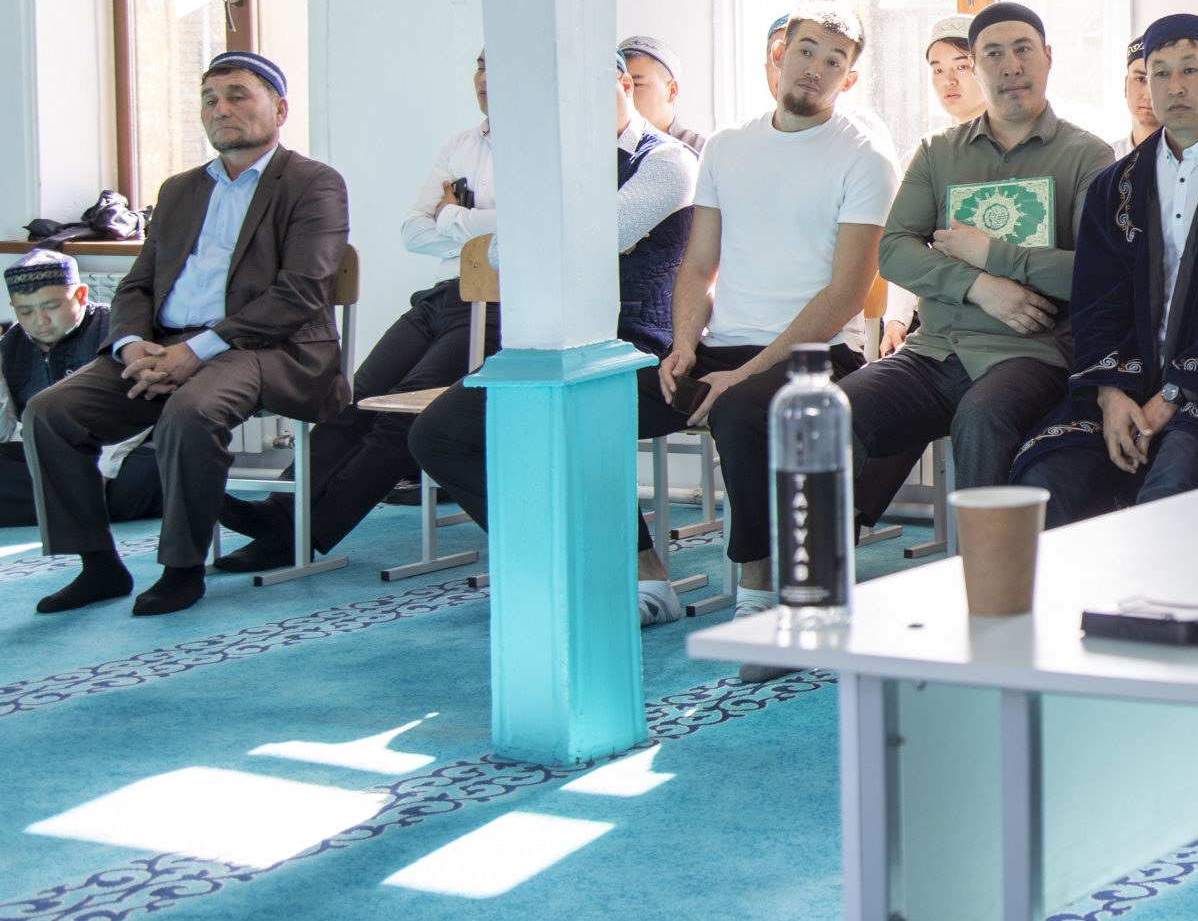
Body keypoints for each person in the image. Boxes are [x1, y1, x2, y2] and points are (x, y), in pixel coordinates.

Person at [24, 52, 350, 616]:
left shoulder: (312, 183)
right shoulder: (179, 189)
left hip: (267, 347)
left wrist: (195, 351)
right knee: (50, 413)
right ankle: (98, 566)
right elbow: (138, 285)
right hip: (164, 342)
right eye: (209, 99)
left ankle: (181, 570)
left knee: (190, 412)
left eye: (237, 95)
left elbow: (299, 294)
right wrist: (131, 344)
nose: (220, 109)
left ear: (279, 109)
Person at [633, 5, 895, 632]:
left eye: (834, 61)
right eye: (806, 51)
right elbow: (699, 265)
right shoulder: (726, 146)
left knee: (740, 407)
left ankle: (759, 590)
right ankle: (644, 576)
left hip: (819, 354)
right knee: (587, 409)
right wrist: (683, 346)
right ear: (780, 54)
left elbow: (847, 293)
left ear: (849, 79)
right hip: (721, 348)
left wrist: (743, 374)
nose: (816, 68)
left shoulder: (865, 156)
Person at [406, 54, 698, 570]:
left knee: (572, 407)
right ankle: (561, 554)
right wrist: (561, 236)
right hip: (556, 344)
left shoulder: (668, 159)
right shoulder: (559, 165)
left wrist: (553, 234)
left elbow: (599, 238)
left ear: (623, 83)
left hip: (646, 354)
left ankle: (638, 570)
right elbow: (501, 252)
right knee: (437, 435)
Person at [215, 50, 505, 570]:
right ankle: (280, 515)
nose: (484, 77)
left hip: (496, 307)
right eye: (480, 65)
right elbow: (413, 232)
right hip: (441, 295)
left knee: (399, 415)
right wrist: (475, 226)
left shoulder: (544, 150)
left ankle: (303, 535)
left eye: (499, 64)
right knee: (354, 400)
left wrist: (451, 216)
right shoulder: (461, 144)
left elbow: (527, 230)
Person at [1011, 15, 1198, 525]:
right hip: (1124, 380)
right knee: (1041, 487)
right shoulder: (1115, 185)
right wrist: (1110, 394)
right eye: (1159, 73)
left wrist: (1171, 395)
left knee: (1171, 486)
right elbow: (1096, 303)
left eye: (1190, 69)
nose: (1174, 86)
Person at [851, 1, 1114, 527]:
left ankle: (987, 575)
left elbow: (1096, 274)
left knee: (983, 416)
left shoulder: (1089, 156)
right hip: (933, 350)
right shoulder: (937, 153)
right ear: (976, 65)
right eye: (994, 53)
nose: (1011, 65)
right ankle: (814, 569)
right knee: (831, 415)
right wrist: (979, 286)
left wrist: (992, 253)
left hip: (1031, 354)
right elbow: (894, 249)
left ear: (1048, 57)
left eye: (1023, 50)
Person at [2, 252, 160, 529]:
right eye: (26, 312)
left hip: (118, 454)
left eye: (52, 306)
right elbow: (6, 435)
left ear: (81, 295)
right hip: (51, 458)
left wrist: (104, 471)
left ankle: (56, 506)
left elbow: (143, 410)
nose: (40, 320)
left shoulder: (118, 333)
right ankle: (80, 504)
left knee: (156, 469)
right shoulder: (11, 344)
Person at [883, 14, 990, 357]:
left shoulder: (1015, 147)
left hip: (998, 320)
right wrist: (896, 319)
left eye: (962, 66)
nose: (949, 80)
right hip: (935, 319)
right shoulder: (923, 154)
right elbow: (906, 243)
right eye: (937, 69)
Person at [618, 34, 707, 155]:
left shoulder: (702, 152)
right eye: (619, 86)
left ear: (672, 90)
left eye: (636, 85)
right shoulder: (606, 150)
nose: (623, 94)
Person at [1112, 36, 1161, 159]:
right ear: (1125, 86)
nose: (1148, 95)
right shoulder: (1105, 160)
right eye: (1140, 79)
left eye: (1160, 78)